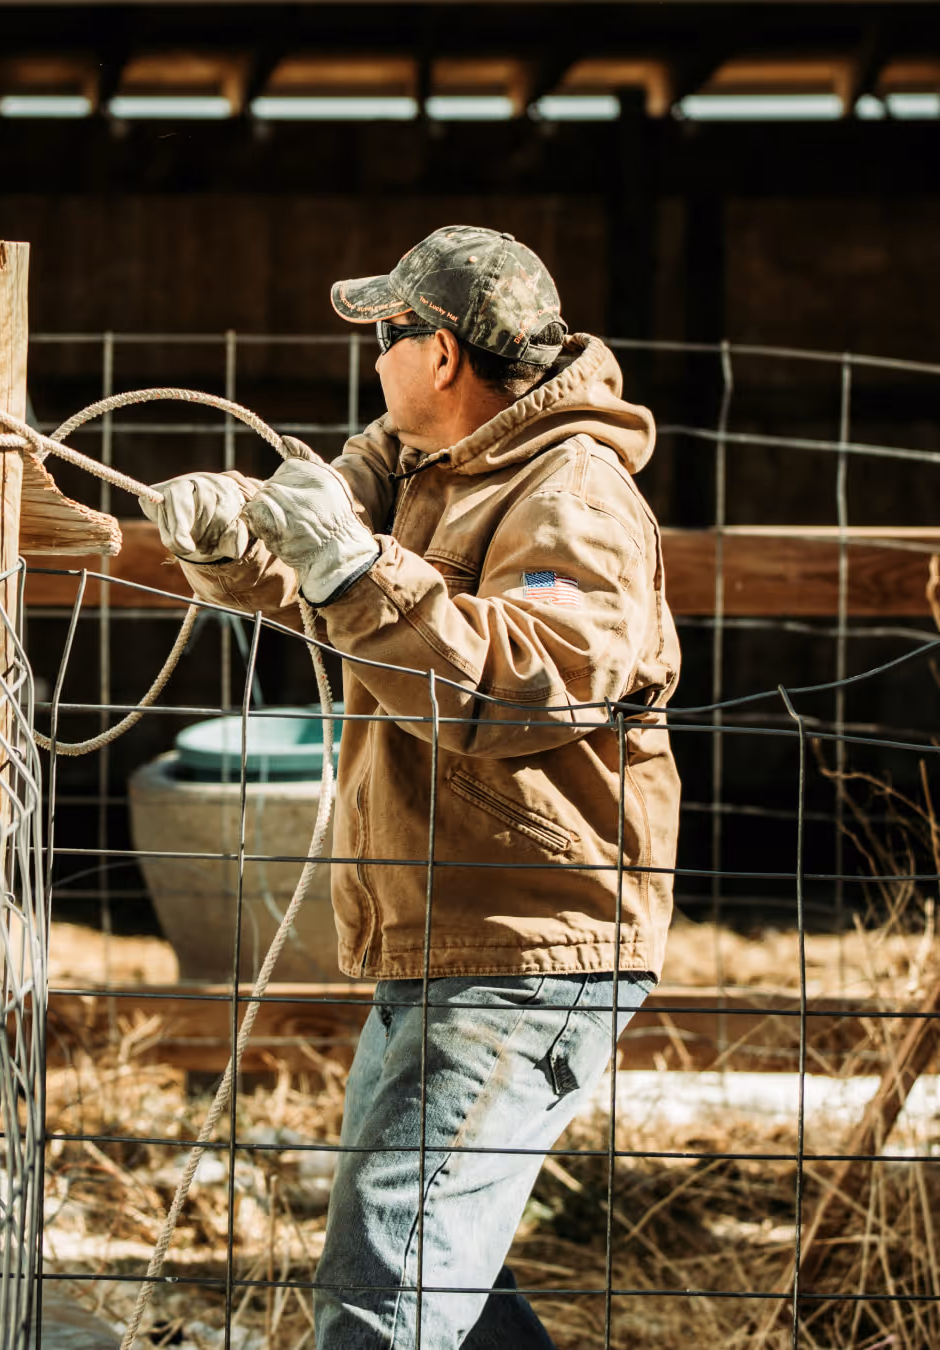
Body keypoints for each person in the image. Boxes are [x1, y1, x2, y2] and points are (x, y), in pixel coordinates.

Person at [141, 225, 681, 1349]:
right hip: (455, 924)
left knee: (389, 1288)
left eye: (384, 336)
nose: (371, 360)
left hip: (527, 942)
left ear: (439, 354)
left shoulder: (568, 488)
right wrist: (226, 537)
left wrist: (351, 561)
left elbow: (542, 681)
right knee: (446, 1280)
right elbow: (322, 570)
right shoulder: (424, 471)